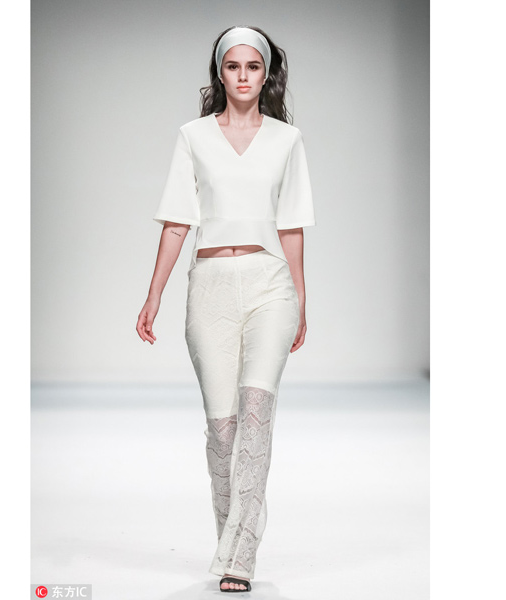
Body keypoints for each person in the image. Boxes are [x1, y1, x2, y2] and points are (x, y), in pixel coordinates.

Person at [135, 25, 316, 593]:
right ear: (220, 72)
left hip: (269, 283)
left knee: (257, 416)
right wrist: (154, 294)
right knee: (222, 431)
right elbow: (177, 221)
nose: (243, 76)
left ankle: (240, 558)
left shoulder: (287, 140)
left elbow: (292, 226)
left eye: (253, 66)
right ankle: (229, 539)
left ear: (266, 74)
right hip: (210, 284)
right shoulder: (193, 136)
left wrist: (301, 299)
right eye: (233, 66)